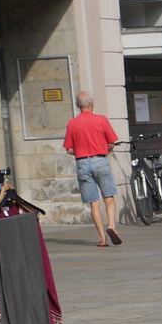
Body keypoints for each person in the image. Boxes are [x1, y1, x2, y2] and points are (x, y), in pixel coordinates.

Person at [62, 91, 122, 247]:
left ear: (77, 106)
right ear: (92, 104)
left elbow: (68, 149)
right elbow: (111, 143)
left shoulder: (72, 123)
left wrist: (81, 150)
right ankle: (111, 226)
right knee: (109, 197)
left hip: (82, 163)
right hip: (100, 160)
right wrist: (104, 149)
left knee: (94, 203)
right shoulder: (101, 120)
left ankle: (102, 238)